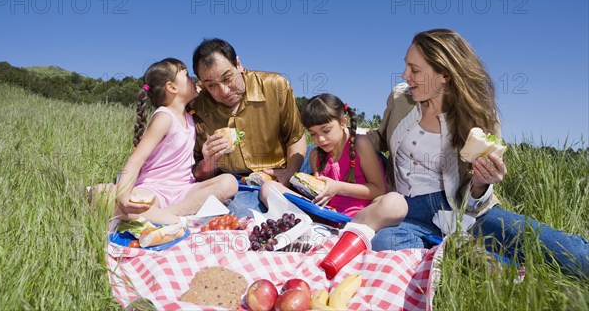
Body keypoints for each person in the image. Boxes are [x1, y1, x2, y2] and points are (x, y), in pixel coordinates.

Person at [367, 28, 589, 278]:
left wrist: (482, 183)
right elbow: (380, 139)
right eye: (407, 67)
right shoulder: (400, 99)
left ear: (444, 75)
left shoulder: (480, 116)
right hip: (406, 210)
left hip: (464, 210)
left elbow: (474, 198)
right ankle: (468, 256)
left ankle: (460, 251)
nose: (405, 75)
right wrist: (345, 136)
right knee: (386, 243)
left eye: (415, 70)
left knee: (571, 253)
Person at [115, 58, 238, 225]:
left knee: (229, 182)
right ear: (171, 87)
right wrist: (123, 194)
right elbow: (137, 159)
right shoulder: (164, 117)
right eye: (187, 75)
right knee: (117, 199)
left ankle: (163, 216)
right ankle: (171, 218)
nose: (193, 79)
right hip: (155, 189)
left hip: (184, 190)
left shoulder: (189, 117)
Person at [260, 93, 407, 232]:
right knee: (268, 188)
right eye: (313, 134)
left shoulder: (360, 144)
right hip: (326, 216)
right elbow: (319, 197)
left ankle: (347, 234)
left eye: (326, 130)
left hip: (360, 217)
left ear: (343, 122)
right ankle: (310, 227)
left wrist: (338, 188)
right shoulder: (315, 155)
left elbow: (378, 190)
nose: (320, 139)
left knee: (395, 203)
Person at [190, 38, 307, 185]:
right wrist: (207, 165)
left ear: (238, 64)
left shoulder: (276, 86)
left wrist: (289, 174)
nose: (224, 91)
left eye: (227, 78)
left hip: (277, 175)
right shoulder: (196, 107)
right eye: (211, 85)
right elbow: (194, 172)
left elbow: (295, 137)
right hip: (230, 183)